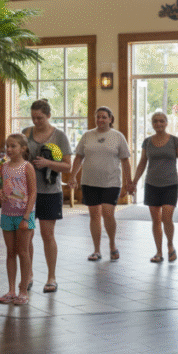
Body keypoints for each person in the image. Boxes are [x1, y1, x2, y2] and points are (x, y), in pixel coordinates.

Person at [21, 99, 72, 293]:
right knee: (28, 235)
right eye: (33, 117)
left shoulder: (59, 136)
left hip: (50, 192)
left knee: (47, 234)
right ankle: (29, 274)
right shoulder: (26, 133)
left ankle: (51, 276)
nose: (36, 121)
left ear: (49, 116)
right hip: (27, 193)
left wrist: (47, 164)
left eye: (40, 118)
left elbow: (68, 166)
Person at [71, 106, 132, 262]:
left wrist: (129, 182)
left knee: (108, 213)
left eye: (104, 117)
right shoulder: (87, 136)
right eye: (98, 117)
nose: (100, 120)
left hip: (111, 181)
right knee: (94, 215)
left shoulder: (118, 136)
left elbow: (125, 161)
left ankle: (112, 245)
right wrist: (73, 176)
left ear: (110, 119)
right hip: (89, 181)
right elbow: (78, 157)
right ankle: (97, 250)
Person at [130, 112, 178, 263]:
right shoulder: (147, 142)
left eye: (161, 121)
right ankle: (158, 252)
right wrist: (134, 181)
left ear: (166, 122)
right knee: (156, 220)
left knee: (166, 217)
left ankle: (170, 245)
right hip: (151, 184)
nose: (158, 124)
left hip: (170, 184)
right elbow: (142, 162)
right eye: (155, 121)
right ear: (152, 123)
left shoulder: (175, 141)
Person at [0, 133, 36, 305]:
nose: (9, 149)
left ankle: (23, 289)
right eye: (7, 146)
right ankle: (11, 289)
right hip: (7, 214)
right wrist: (0, 194)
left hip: (23, 215)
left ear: (23, 149)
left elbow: (32, 192)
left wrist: (26, 217)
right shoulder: (4, 167)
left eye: (13, 146)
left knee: (23, 252)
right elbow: (5, 189)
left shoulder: (27, 167)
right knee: (10, 252)